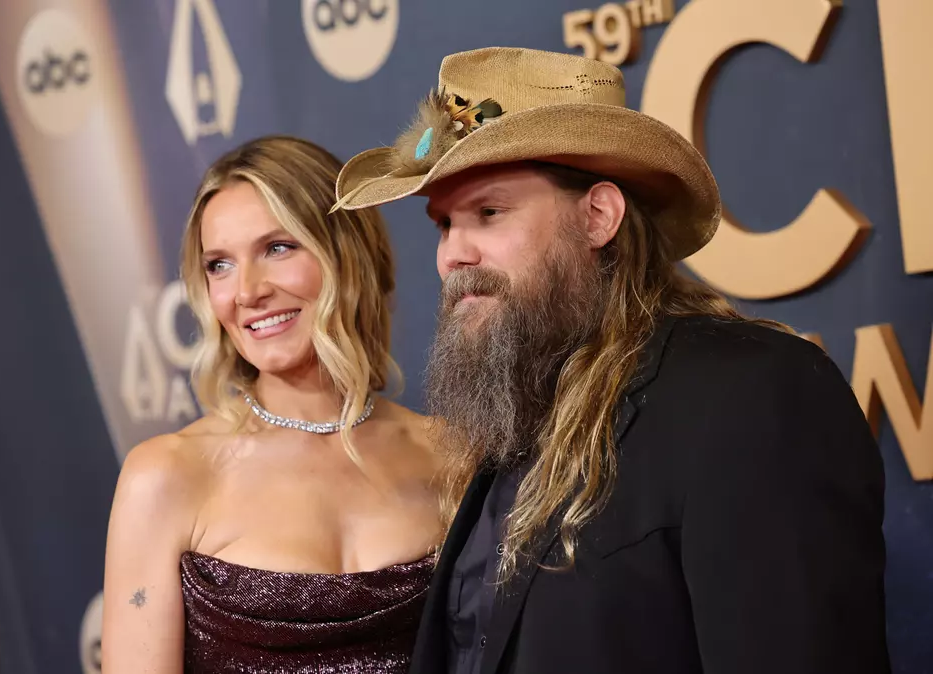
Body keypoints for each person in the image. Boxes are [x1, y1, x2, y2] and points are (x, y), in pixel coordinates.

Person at [332, 47, 890, 674]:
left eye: (489, 212)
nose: (452, 255)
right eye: (443, 224)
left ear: (599, 216)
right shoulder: (519, 412)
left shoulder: (757, 394)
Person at [101, 136, 443, 673]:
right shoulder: (167, 475)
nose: (246, 292)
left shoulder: (452, 456)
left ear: (345, 252)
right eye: (219, 265)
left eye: (277, 248)